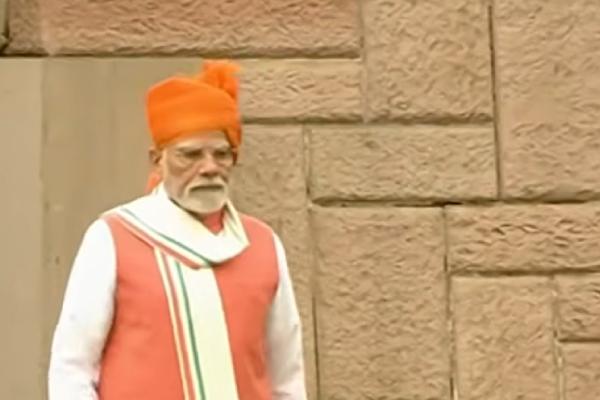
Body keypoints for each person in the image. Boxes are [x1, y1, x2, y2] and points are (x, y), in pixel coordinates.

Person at [47, 60, 307, 400]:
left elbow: (286, 375)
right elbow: (72, 367)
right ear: (158, 160)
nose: (209, 168)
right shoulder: (114, 237)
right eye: (191, 155)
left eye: (221, 154)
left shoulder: (262, 244)